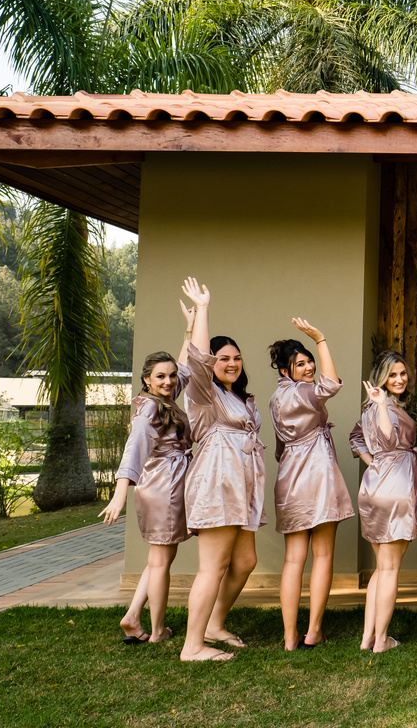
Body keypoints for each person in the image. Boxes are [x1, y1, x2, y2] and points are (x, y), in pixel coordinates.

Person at [177, 277, 265, 662]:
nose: (231, 363)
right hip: (217, 480)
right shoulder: (204, 392)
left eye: (236, 357)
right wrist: (203, 309)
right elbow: (197, 358)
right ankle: (192, 646)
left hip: (242, 483)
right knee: (212, 567)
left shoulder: (238, 396)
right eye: (223, 358)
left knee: (244, 561)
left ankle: (214, 624)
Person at [100, 302, 196, 645]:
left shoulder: (164, 399)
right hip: (162, 487)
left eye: (170, 376)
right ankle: (157, 631)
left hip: (166, 483)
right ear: (146, 380)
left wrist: (189, 328)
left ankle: (132, 617)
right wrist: (119, 494)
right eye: (161, 377)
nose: (169, 381)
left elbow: (185, 368)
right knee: (162, 561)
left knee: (159, 558)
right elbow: (133, 450)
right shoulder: (149, 410)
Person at [269, 320, 354, 651]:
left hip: (289, 476)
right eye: (300, 364)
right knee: (323, 554)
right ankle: (313, 631)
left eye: (309, 362)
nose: (308, 368)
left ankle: (289, 636)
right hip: (317, 473)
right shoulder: (304, 391)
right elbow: (330, 384)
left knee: (293, 559)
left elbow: (280, 448)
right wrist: (320, 339)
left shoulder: (276, 398)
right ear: (285, 370)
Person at [352, 347, 417, 653]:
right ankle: (382, 639)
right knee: (390, 569)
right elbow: (386, 438)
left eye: (402, 374)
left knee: (381, 568)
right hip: (395, 487)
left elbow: (356, 438)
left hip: (375, 486)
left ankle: (367, 637)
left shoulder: (374, 407)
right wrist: (383, 406)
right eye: (392, 375)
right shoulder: (381, 405)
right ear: (381, 379)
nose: (399, 379)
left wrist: (374, 463)